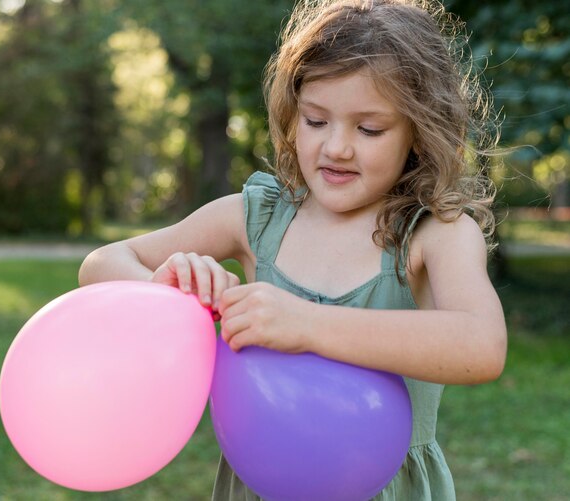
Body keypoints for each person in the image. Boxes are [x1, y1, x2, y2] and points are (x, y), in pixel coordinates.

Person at [79, 0, 507, 498]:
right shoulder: (254, 217)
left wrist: (304, 325)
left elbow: (482, 347)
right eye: (315, 121)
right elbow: (101, 264)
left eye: (369, 129)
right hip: (264, 479)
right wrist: (165, 290)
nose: (337, 147)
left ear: (418, 131)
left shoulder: (434, 234)